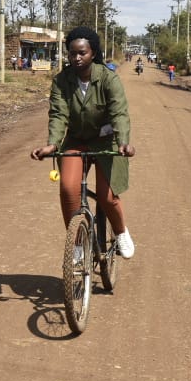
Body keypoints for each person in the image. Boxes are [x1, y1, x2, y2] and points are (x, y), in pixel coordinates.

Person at [31, 26, 136, 258]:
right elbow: (58, 114)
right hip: (76, 141)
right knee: (68, 189)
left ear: (93, 53)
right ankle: (77, 242)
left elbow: (119, 113)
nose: (76, 58)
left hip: (106, 142)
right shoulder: (62, 81)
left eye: (82, 53)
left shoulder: (109, 79)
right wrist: (52, 144)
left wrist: (123, 142)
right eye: (72, 53)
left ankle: (120, 233)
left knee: (107, 197)